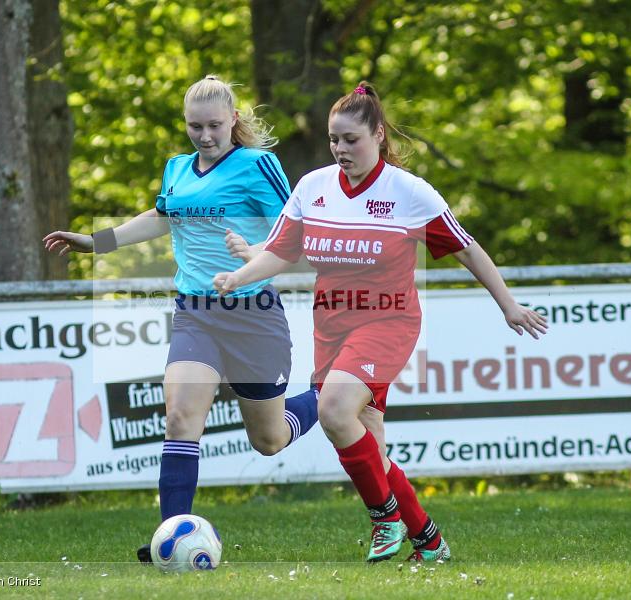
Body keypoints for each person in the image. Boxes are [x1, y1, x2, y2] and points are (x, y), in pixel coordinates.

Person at [214, 82, 548, 563]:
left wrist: (508, 305)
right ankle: (429, 541)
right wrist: (241, 275)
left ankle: (383, 516)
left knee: (332, 409)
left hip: (388, 322)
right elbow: (280, 252)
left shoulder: (408, 192)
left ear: (378, 134)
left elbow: (466, 247)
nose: (340, 149)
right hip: (331, 325)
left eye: (351, 139)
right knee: (366, 441)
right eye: (334, 139)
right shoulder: (314, 187)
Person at [43, 75, 319, 562]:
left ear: (233, 120)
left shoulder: (259, 164)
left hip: (253, 316)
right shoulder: (176, 168)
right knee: (179, 418)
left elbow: (294, 233)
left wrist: (253, 250)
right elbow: (158, 218)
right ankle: (168, 536)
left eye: (214, 125)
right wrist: (96, 241)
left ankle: (323, 396)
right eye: (195, 127)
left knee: (269, 439)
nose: (205, 136)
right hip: (196, 313)